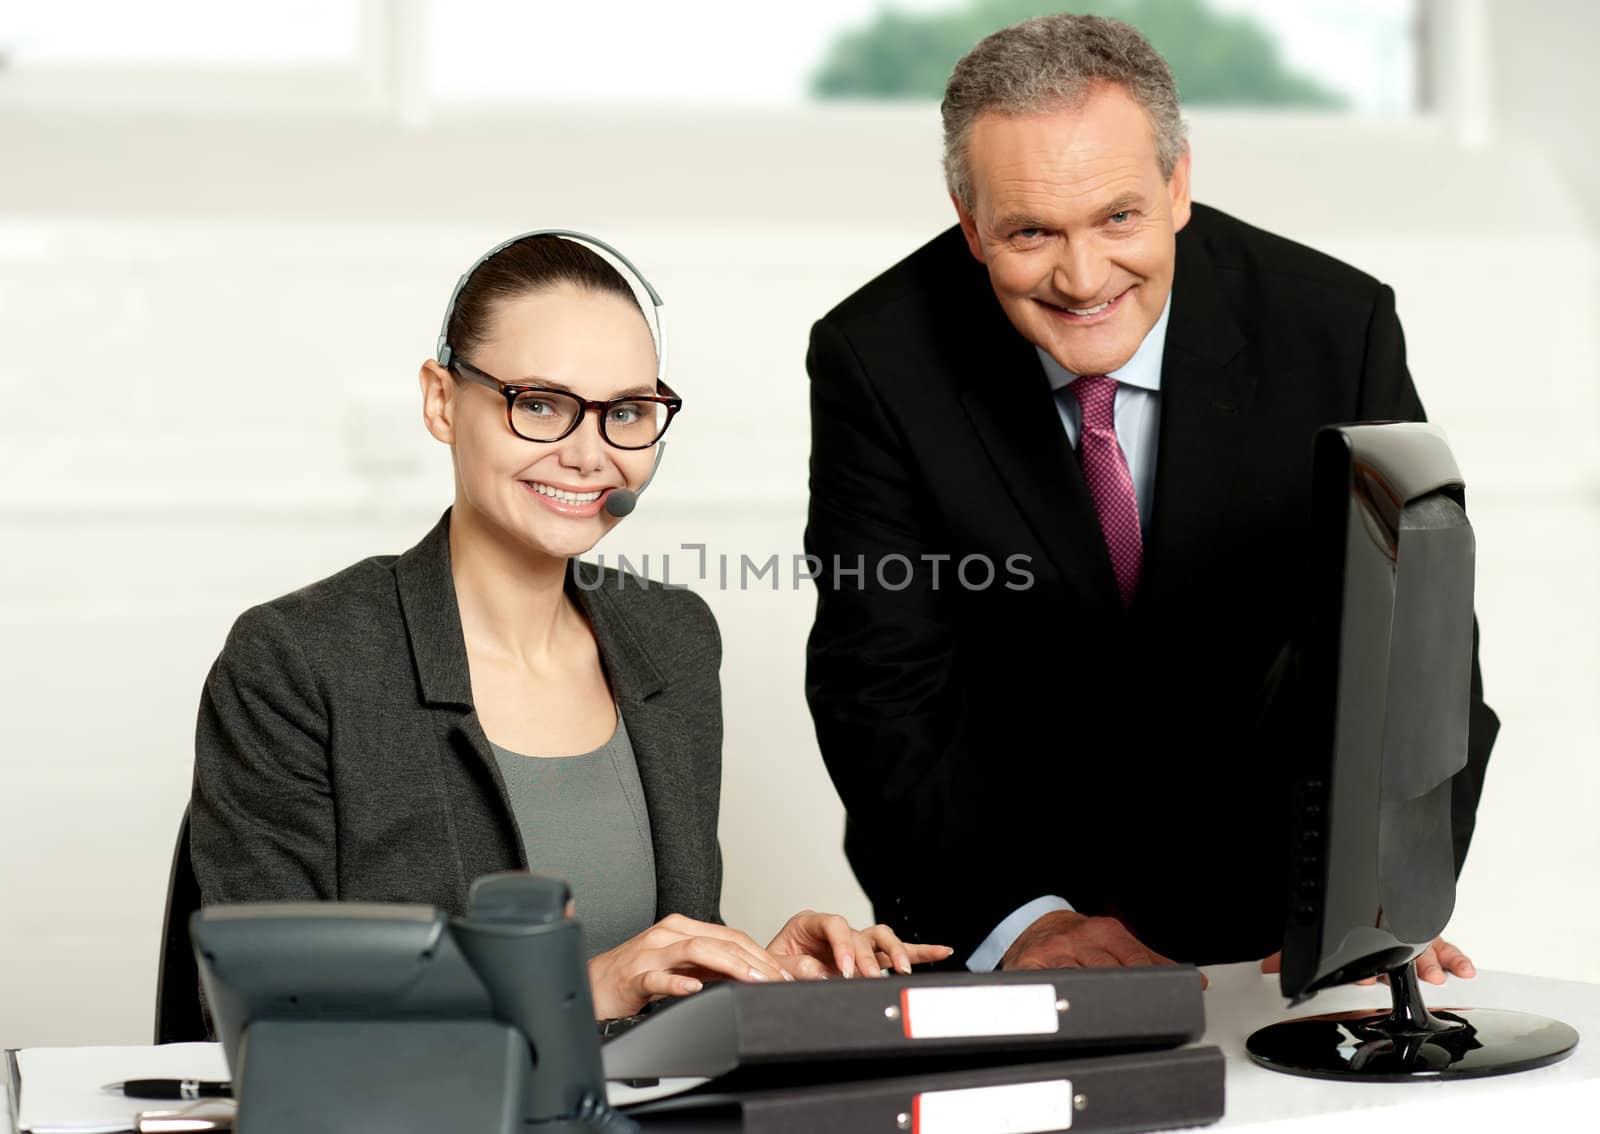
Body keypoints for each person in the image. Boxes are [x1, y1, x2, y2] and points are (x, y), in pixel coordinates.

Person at [802, 15, 1494, 983]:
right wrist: (1024, 925)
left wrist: (1372, 911)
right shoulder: (876, 360)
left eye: (1117, 217)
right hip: (1009, 909)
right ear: (968, 220)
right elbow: (881, 683)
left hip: (1277, 908)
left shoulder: (1334, 328)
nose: (1083, 279)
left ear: (1177, 186)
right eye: (1030, 231)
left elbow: (1416, 654)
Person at [191, 231, 950, 1021]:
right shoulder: (298, 662)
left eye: (626, 412)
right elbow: (273, 1008)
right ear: (441, 400)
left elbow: (646, 970)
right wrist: (586, 988)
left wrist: (758, 976)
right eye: (541, 404)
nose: (589, 456)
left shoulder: (674, 639)